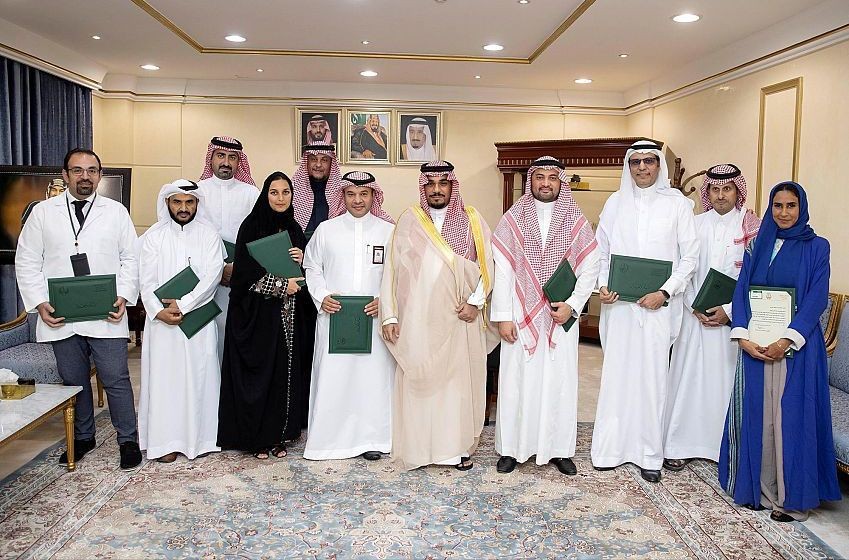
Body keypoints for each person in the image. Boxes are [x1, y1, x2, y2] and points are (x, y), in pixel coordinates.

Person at [719, 181, 841, 522]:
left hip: (797, 349)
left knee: (791, 418)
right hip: (756, 346)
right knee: (759, 416)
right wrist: (742, 335)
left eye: (791, 206)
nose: (784, 212)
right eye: (778, 205)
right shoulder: (757, 245)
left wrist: (786, 340)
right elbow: (742, 291)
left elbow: (817, 298)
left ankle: (793, 499)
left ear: (801, 208)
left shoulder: (817, 247)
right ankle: (758, 490)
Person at [15, 148, 142, 469]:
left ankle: (128, 440)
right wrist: (39, 303)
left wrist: (124, 296)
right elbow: (27, 260)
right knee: (74, 380)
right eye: (77, 170)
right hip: (61, 315)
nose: (85, 176)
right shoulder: (42, 213)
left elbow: (132, 258)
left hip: (107, 312)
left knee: (116, 378)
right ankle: (84, 437)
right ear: (65, 174)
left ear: (99, 175)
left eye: (92, 170)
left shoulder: (116, 212)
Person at [590, 141, 699, 483]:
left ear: (658, 165)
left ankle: (649, 454)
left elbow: (690, 258)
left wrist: (664, 292)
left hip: (658, 307)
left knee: (652, 379)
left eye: (649, 161)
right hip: (620, 307)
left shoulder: (677, 204)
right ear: (628, 166)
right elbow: (601, 252)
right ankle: (609, 450)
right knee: (617, 376)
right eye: (635, 162)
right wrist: (603, 285)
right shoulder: (614, 203)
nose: (642, 168)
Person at [379, 161, 498, 470]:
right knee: (422, 380)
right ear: (423, 187)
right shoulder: (409, 220)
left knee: (457, 386)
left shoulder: (473, 220)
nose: (436, 189)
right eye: (430, 184)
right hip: (419, 319)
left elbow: (487, 265)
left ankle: (454, 449)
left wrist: (475, 302)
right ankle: (420, 449)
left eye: (442, 183)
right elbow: (392, 270)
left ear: (452, 186)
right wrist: (390, 316)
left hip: (460, 318)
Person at [491, 156, 600, 475]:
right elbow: (503, 270)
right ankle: (511, 449)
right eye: (539, 177)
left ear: (561, 182)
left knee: (559, 382)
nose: (546, 183)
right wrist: (504, 316)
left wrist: (574, 305)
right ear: (531, 181)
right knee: (516, 382)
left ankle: (559, 450)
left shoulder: (575, 220)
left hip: (559, 315)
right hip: (519, 312)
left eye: (552, 177)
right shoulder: (513, 218)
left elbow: (590, 266)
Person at [663, 165, 761, 471]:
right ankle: (679, 445)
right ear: (707, 193)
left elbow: (756, 278)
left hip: (731, 322)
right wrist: (693, 305)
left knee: (723, 383)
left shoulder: (751, 227)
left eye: (727, 189)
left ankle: (723, 448)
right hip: (693, 318)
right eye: (715, 189)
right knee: (688, 380)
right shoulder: (694, 224)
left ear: (737, 191)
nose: (720, 195)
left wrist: (728, 311)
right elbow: (682, 268)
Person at [302, 171, 396, 461]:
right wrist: (322, 296)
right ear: (342, 196)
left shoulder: (389, 231)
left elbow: (399, 274)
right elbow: (311, 267)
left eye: (364, 194)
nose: (357, 200)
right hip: (334, 317)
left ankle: (373, 439)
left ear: (373, 196)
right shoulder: (326, 230)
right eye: (351, 194)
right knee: (335, 380)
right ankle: (330, 441)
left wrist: (385, 301)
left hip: (374, 319)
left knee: (373, 381)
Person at [217, 171, 308, 459]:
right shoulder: (252, 226)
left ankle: (279, 436)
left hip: (287, 319)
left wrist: (303, 260)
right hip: (256, 318)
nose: (280, 198)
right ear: (265, 195)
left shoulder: (294, 228)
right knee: (258, 376)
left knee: (282, 375)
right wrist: (281, 285)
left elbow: (305, 276)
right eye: (274, 192)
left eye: (286, 192)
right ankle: (256, 439)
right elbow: (243, 274)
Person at [138, 180, 225, 463]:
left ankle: (202, 438)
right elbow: (145, 280)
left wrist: (184, 304)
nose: (184, 208)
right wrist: (157, 310)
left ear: (197, 204)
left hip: (198, 320)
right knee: (166, 382)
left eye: (189, 202)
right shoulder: (153, 236)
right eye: (177, 202)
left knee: (200, 377)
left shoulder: (209, 235)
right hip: (163, 324)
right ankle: (165, 442)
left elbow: (213, 276)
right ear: (168, 203)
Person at [195, 136, 259, 362]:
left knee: (234, 333)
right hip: (202, 277)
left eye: (232, 157)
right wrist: (219, 268)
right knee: (204, 335)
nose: (226, 162)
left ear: (239, 162)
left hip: (240, 278)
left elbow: (258, 237)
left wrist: (236, 268)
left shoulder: (251, 193)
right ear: (211, 158)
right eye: (220, 155)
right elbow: (192, 236)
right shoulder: (197, 192)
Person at [291, 143, 342, 239]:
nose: (318, 165)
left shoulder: (341, 192)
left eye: (324, 160)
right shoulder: (292, 189)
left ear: (331, 164)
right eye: (313, 159)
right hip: (299, 244)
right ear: (307, 162)